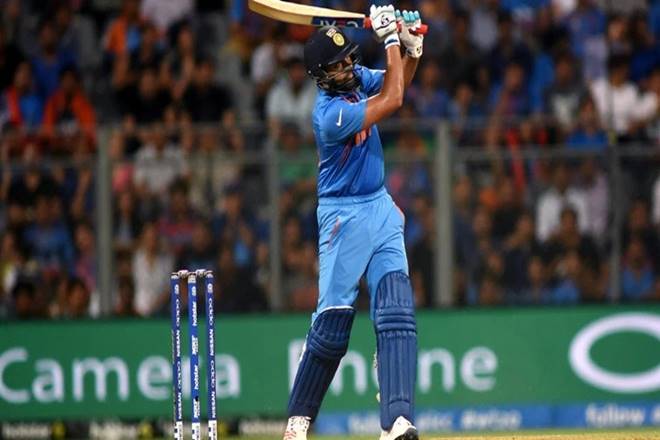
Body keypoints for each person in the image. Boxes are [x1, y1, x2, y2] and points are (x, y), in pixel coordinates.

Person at [283, 7, 424, 440]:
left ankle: (396, 422)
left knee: (397, 313)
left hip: (379, 205)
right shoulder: (328, 114)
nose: (348, 68)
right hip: (342, 216)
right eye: (338, 65)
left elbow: (398, 83)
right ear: (321, 76)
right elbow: (393, 101)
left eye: (348, 60)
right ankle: (298, 421)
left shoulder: (355, 77)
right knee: (333, 327)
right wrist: (391, 39)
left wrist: (411, 48)